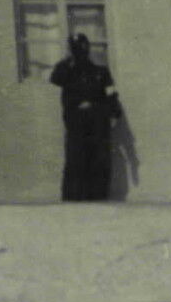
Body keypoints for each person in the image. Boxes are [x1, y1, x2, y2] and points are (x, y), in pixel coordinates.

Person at [50, 33, 119, 201]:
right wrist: (68, 60)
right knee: (75, 159)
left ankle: (98, 197)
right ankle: (73, 199)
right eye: (77, 47)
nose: (81, 50)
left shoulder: (100, 72)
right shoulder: (68, 71)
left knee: (99, 159)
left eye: (83, 46)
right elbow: (55, 78)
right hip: (76, 124)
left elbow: (111, 94)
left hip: (97, 123)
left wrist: (115, 113)